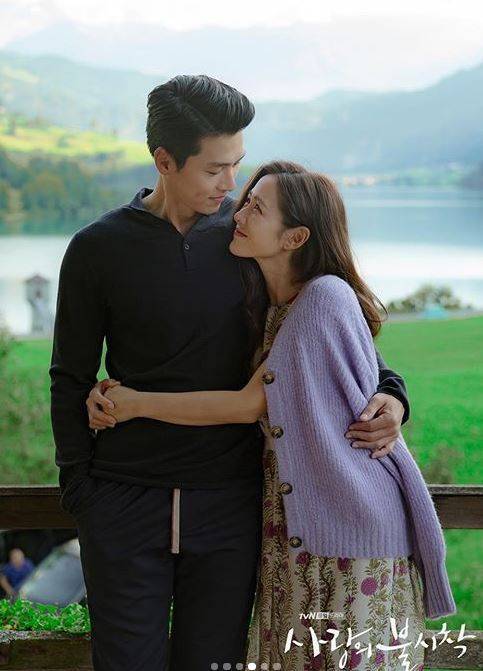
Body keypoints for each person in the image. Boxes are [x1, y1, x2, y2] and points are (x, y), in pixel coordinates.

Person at [51, 75, 410, 671]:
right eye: (215, 169)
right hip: (123, 500)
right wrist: (81, 493)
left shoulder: (246, 241)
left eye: (237, 166)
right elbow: (69, 376)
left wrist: (393, 396)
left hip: (231, 504)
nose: (231, 186)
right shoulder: (98, 248)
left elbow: (334, 336)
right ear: (165, 161)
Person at [89, 162, 456, 670]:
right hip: (298, 529)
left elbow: (249, 404)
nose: (238, 213)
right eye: (245, 201)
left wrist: (134, 404)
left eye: (256, 207)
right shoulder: (271, 302)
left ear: (295, 238)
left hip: (350, 530)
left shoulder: (321, 297)